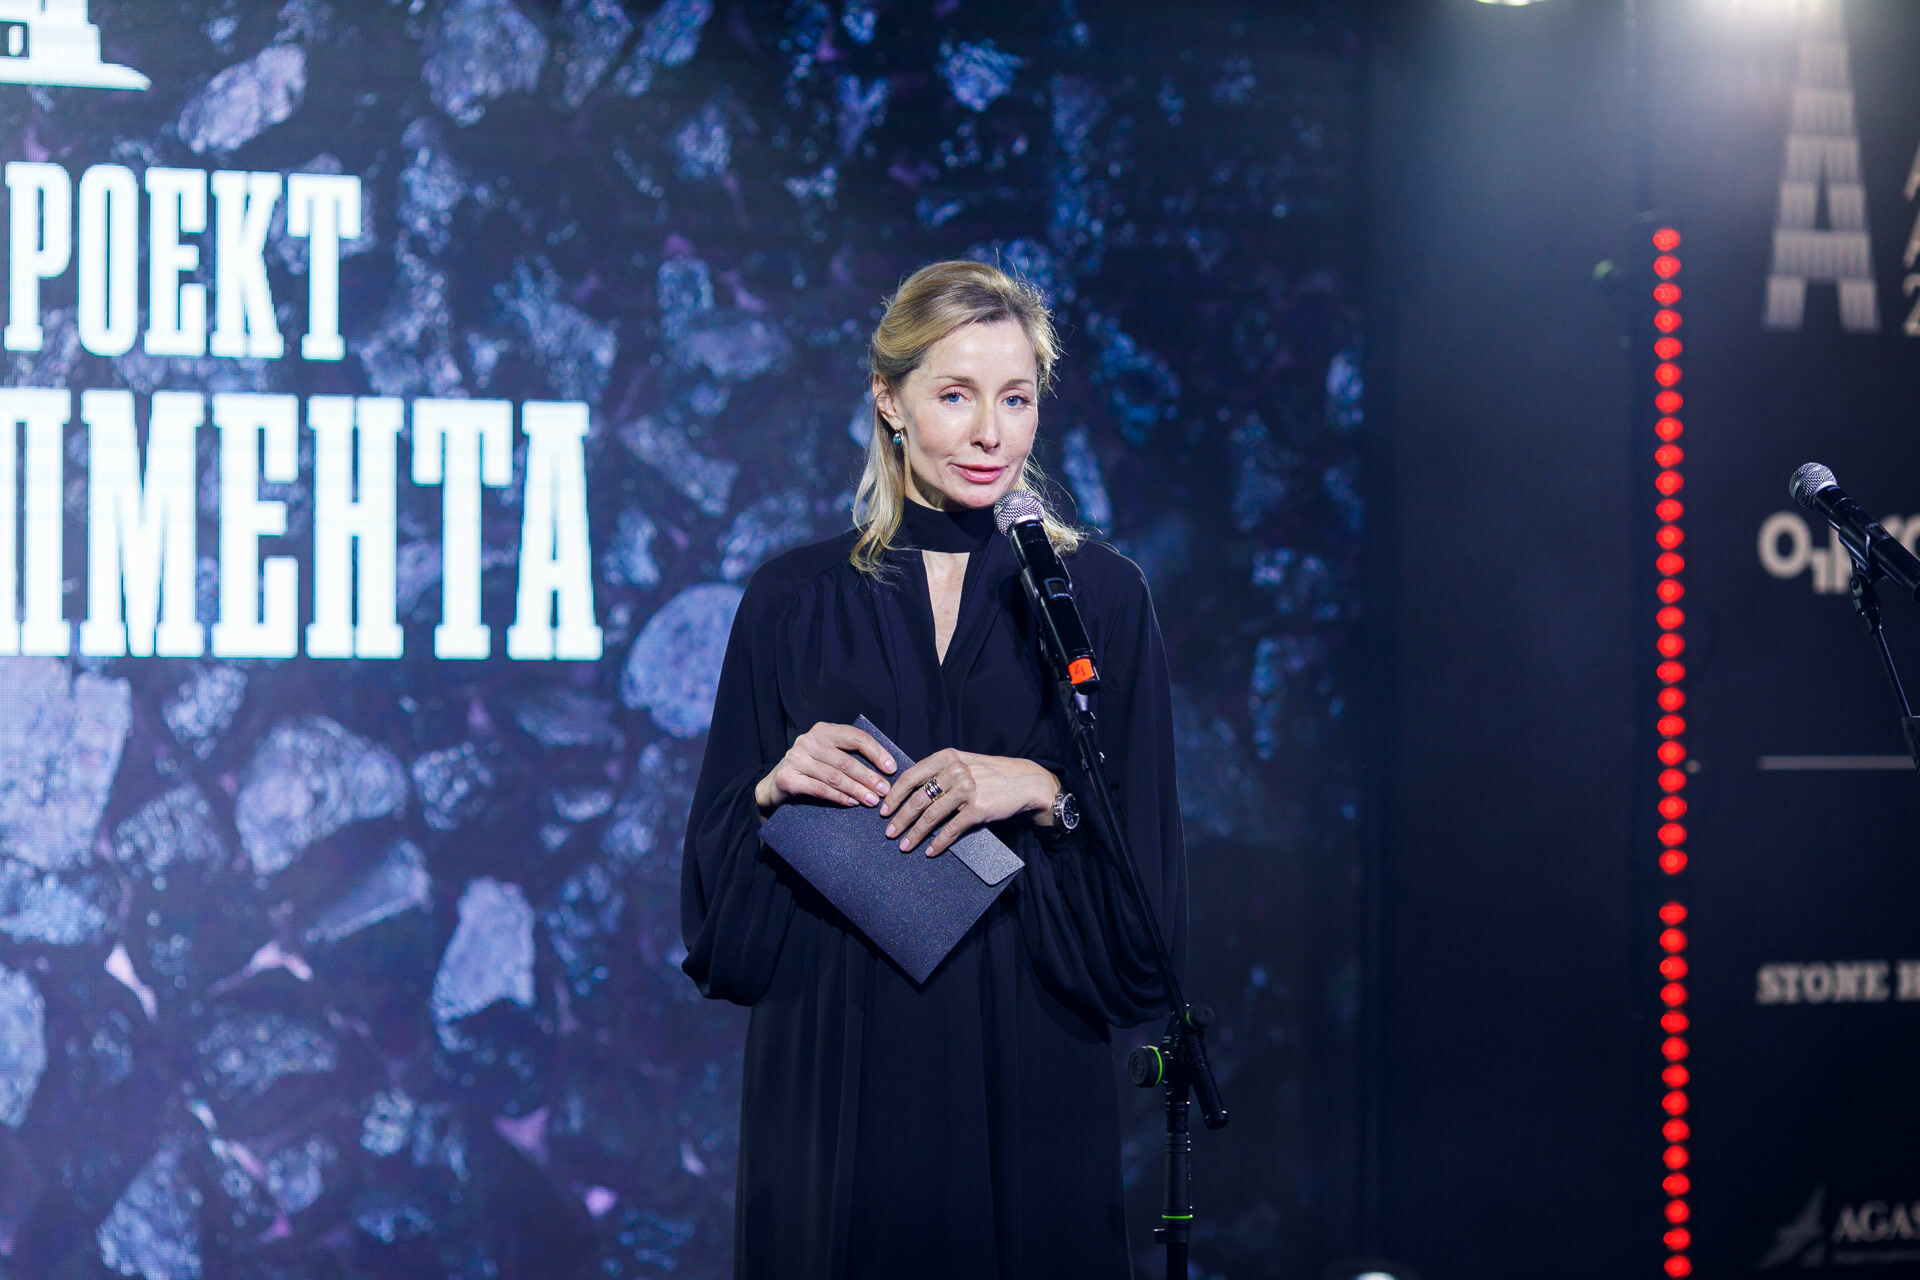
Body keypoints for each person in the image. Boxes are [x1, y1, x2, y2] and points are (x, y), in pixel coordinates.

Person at [680, 259, 1186, 1280]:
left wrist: (1042, 789)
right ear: (889, 399)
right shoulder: (793, 598)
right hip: (837, 1060)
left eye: (1016, 399)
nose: (991, 432)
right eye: (957, 395)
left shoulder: (1099, 598)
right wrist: (774, 786)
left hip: (1031, 1050)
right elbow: (717, 933)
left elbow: (1148, 921)